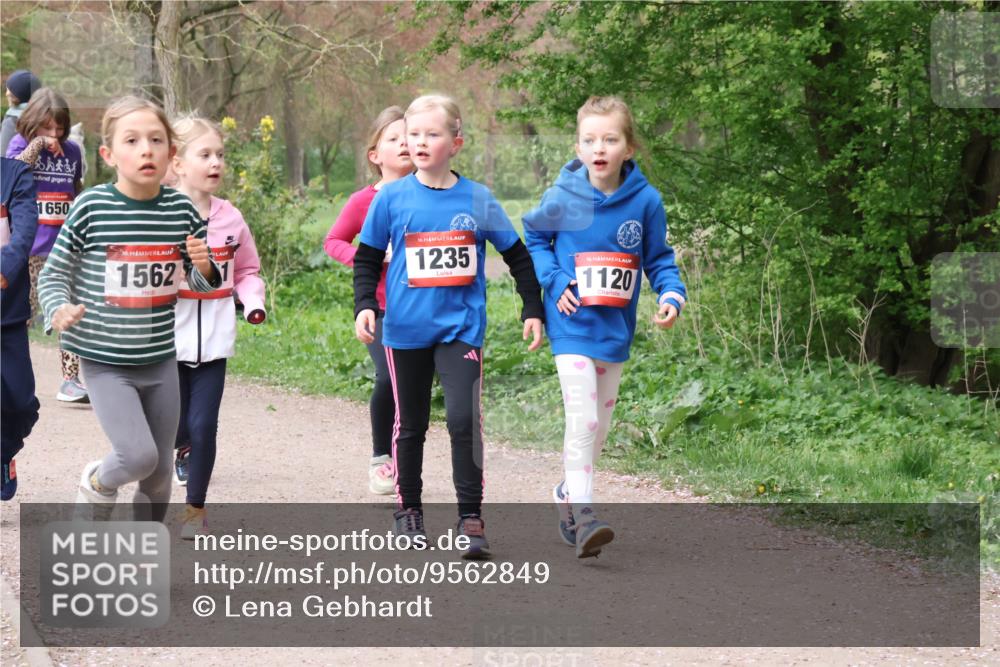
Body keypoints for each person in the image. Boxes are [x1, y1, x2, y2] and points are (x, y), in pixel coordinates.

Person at [354, 94, 544, 559]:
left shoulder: (477, 198)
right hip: (404, 332)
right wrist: (364, 305)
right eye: (413, 134)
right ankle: (409, 511)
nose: (420, 142)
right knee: (411, 424)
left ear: (455, 142)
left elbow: (517, 256)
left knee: (463, 420)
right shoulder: (392, 198)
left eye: (432, 134)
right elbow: (367, 257)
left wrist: (532, 309)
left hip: (461, 328)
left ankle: (470, 517)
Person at [37, 95, 220, 522]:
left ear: (172, 154)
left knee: (157, 478)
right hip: (105, 362)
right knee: (137, 455)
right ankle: (99, 481)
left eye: (157, 140)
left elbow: (199, 282)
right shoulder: (92, 207)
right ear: (109, 154)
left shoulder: (180, 210)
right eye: (133, 140)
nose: (146, 150)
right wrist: (57, 307)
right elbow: (53, 274)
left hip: (159, 360)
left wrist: (205, 266)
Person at [523, 95, 687, 558]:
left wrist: (671, 294)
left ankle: (566, 495)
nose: (599, 148)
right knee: (585, 417)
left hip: (614, 330)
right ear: (577, 147)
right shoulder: (564, 197)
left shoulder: (646, 202)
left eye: (610, 139)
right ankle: (587, 512)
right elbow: (534, 237)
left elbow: (658, 259)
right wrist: (555, 282)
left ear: (628, 148)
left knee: (598, 431)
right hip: (571, 323)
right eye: (589, 139)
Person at [171, 113, 266, 537]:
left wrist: (253, 301)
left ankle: (195, 509)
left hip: (214, 339)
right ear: (177, 161)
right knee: (175, 423)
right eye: (204, 154)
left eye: (220, 155)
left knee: (205, 424)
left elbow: (247, 270)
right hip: (165, 340)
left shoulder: (232, 218)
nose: (215, 163)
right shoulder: (157, 213)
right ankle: (180, 444)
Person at [324, 105, 411, 495]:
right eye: (394, 138)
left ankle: (406, 456)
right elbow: (333, 241)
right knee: (388, 378)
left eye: (410, 135)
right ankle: (382, 459)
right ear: (375, 155)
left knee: (411, 384)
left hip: (423, 307)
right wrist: (371, 258)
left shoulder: (432, 193)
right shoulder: (364, 200)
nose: (405, 143)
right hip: (379, 307)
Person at [6, 88, 88, 403]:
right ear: (32, 124)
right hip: (25, 247)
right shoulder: (19, 145)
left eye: (59, 129)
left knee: (68, 311)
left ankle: (70, 380)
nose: (54, 134)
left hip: (63, 247)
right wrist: (38, 144)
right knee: (16, 315)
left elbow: (76, 187)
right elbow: (13, 177)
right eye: (46, 128)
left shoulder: (73, 152)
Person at [1, 156, 40, 500]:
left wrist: (3, 268)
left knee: (21, 404)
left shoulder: (16, 175)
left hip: (7, 314)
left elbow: (25, 231)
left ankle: (2, 453)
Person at [1, 69, 42, 157]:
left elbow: (3, 157)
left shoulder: (12, 120)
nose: (7, 94)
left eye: (11, 91)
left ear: (22, 94)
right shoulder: (44, 117)